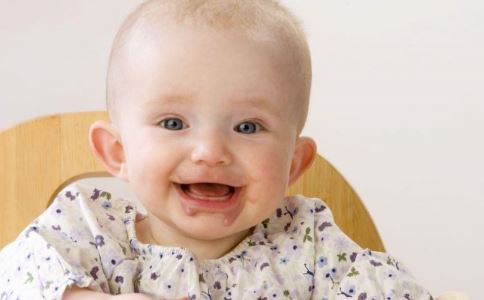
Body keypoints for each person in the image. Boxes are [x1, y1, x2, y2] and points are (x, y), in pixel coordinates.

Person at [0, 0, 433, 299]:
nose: (210, 151)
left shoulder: (310, 244)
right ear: (117, 151)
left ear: (294, 163)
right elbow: (13, 277)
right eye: (173, 123)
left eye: (247, 126)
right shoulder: (85, 231)